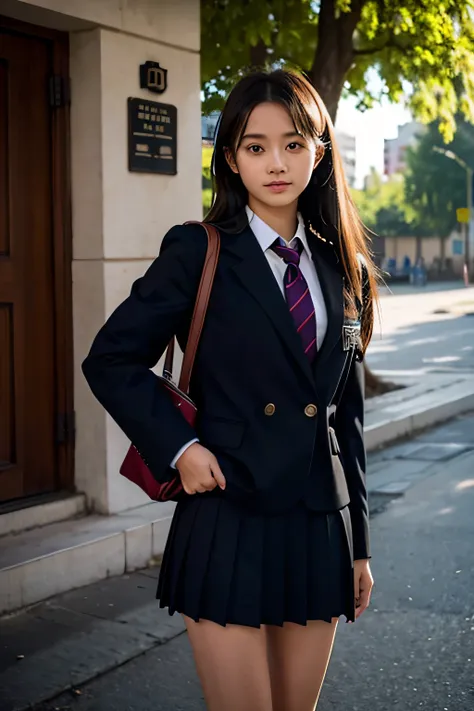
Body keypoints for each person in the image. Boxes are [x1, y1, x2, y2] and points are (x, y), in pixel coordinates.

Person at [82, 69, 377, 711]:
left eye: (294, 144)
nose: (277, 162)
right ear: (232, 159)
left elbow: (343, 418)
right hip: (227, 512)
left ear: (320, 152)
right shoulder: (199, 250)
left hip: (317, 521)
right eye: (255, 146)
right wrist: (180, 447)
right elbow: (110, 360)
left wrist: (359, 545)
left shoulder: (343, 265)